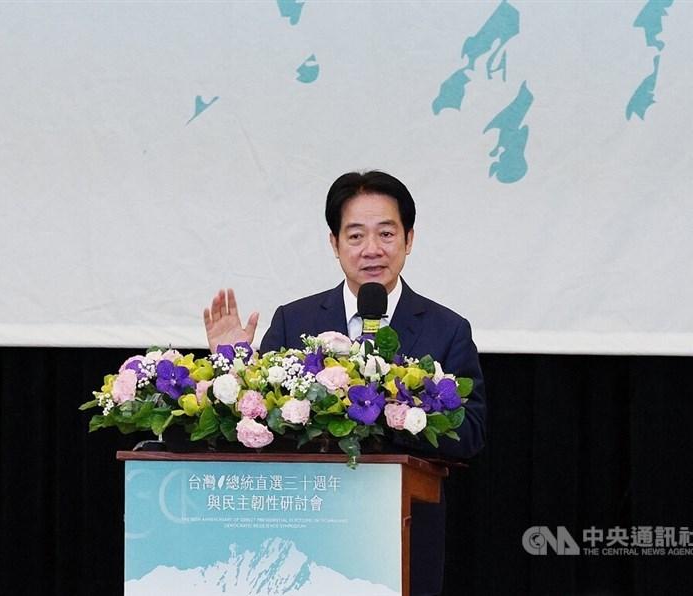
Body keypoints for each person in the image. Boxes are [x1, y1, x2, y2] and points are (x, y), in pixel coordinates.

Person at [204, 170, 486, 595]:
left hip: (402, 529)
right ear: (334, 244)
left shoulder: (446, 330)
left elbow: (471, 434)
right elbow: (256, 426)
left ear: (409, 239)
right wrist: (235, 368)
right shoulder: (294, 321)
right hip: (302, 532)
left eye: (386, 233)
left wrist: (398, 412)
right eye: (355, 236)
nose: (372, 249)